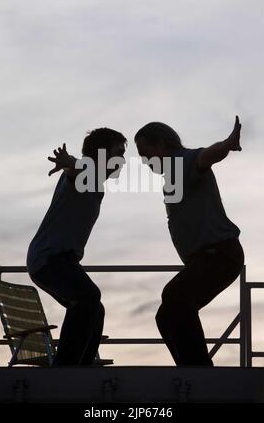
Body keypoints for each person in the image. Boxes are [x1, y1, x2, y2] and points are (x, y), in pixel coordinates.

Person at [134, 116, 245, 366]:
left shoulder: (181, 161)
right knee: (166, 316)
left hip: (220, 253)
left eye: (146, 153)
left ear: (162, 144)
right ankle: (189, 371)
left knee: (175, 296)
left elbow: (205, 157)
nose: (145, 161)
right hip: (206, 257)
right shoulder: (172, 174)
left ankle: (200, 374)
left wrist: (227, 144)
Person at [26, 128, 127, 366]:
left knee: (94, 308)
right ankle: (66, 367)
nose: (122, 160)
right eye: (118, 153)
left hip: (63, 259)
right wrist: (68, 162)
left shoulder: (96, 182)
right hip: (49, 257)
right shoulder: (84, 174)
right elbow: (76, 168)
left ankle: (82, 365)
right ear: (102, 154)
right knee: (88, 297)